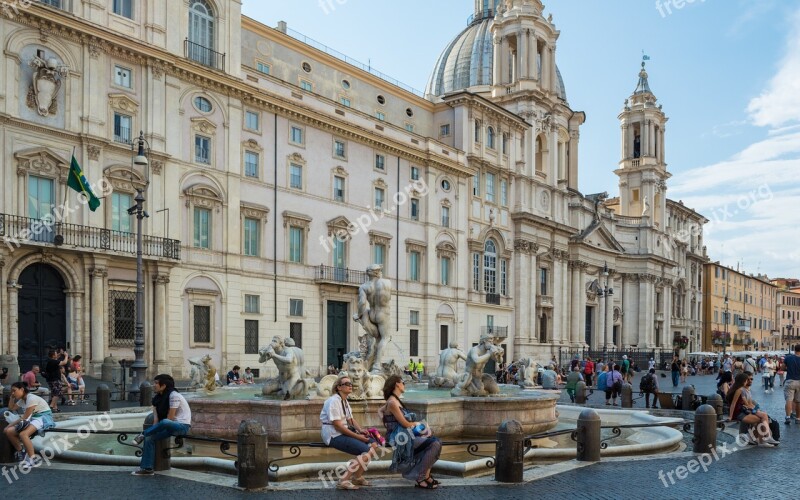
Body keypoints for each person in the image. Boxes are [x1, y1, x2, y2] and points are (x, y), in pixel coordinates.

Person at [381, 375, 442, 489]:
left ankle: (426, 476)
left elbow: (380, 410)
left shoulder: (395, 400)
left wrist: (385, 420)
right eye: (402, 382)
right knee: (434, 444)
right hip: (399, 438)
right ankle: (421, 477)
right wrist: (420, 424)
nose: (404, 385)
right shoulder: (392, 402)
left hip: (405, 435)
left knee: (435, 440)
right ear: (397, 384)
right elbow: (405, 424)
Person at [319, 374, 378, 490]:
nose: (350, 385)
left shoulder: (344, 401)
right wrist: (359, 437)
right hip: (333, 435)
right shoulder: (333, 401)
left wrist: (360, 430)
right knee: (366, 452)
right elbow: (338, 426)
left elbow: (350, 419)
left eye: (350, 384)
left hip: (341, 432)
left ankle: (357, 477)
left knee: (373, 444)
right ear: (338, 387)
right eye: (346, 384)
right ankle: (344, 480)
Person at [132, 374, 192, 475]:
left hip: (182, 426)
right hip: (168, 426)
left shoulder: (174, 396)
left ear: (163, 386)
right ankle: (147, 468)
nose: (153, 385)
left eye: (156, 383)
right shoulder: (156, 399)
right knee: (149, 438)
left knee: (164, 422)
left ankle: (142, 434)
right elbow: (156, 420)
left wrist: (152, 430)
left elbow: (170, 418)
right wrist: (153, 431)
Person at [4, 381, 56, 467]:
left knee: (23, 434)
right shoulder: (22, 400)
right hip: (32, 419)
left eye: (14, 391)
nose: (13, 393)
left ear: (22, 389)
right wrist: (12, 397)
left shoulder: (31, 398)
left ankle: (33, 459)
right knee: (9, 432)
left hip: (43, 417)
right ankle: (22, 452)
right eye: (11, 391)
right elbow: (11, 408)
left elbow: (24, 417)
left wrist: (9, 425)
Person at [353, 264, 392, 374]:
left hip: (371, 313)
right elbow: (388, 298)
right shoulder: (386, 283)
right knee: (385, 338)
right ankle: (376, 365)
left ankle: (371, 361)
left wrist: (359, 315)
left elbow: (361, 304)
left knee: (377, 339)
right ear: (378, 272)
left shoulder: (364, 287)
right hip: (383, 314)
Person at [726, 373, 778, 447]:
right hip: (739, 413)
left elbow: (748, 403)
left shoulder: (743, 390)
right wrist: (730, 416)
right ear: (742, 381)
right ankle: (762, 439)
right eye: (746, 380)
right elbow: (733, 404)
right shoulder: (739, 390)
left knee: (763, 416)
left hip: (743, 411)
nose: (748, 381)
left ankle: (762, 439)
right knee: (762, 418)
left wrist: (756, 409)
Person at [783, 344, 800, 425]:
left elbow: (782, 368)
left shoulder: (788, 358)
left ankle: (788, 417)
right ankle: (798, 418)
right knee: (798, 401)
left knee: (789, 400)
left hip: (790, 381)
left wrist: (789, 368)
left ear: (794, 350)